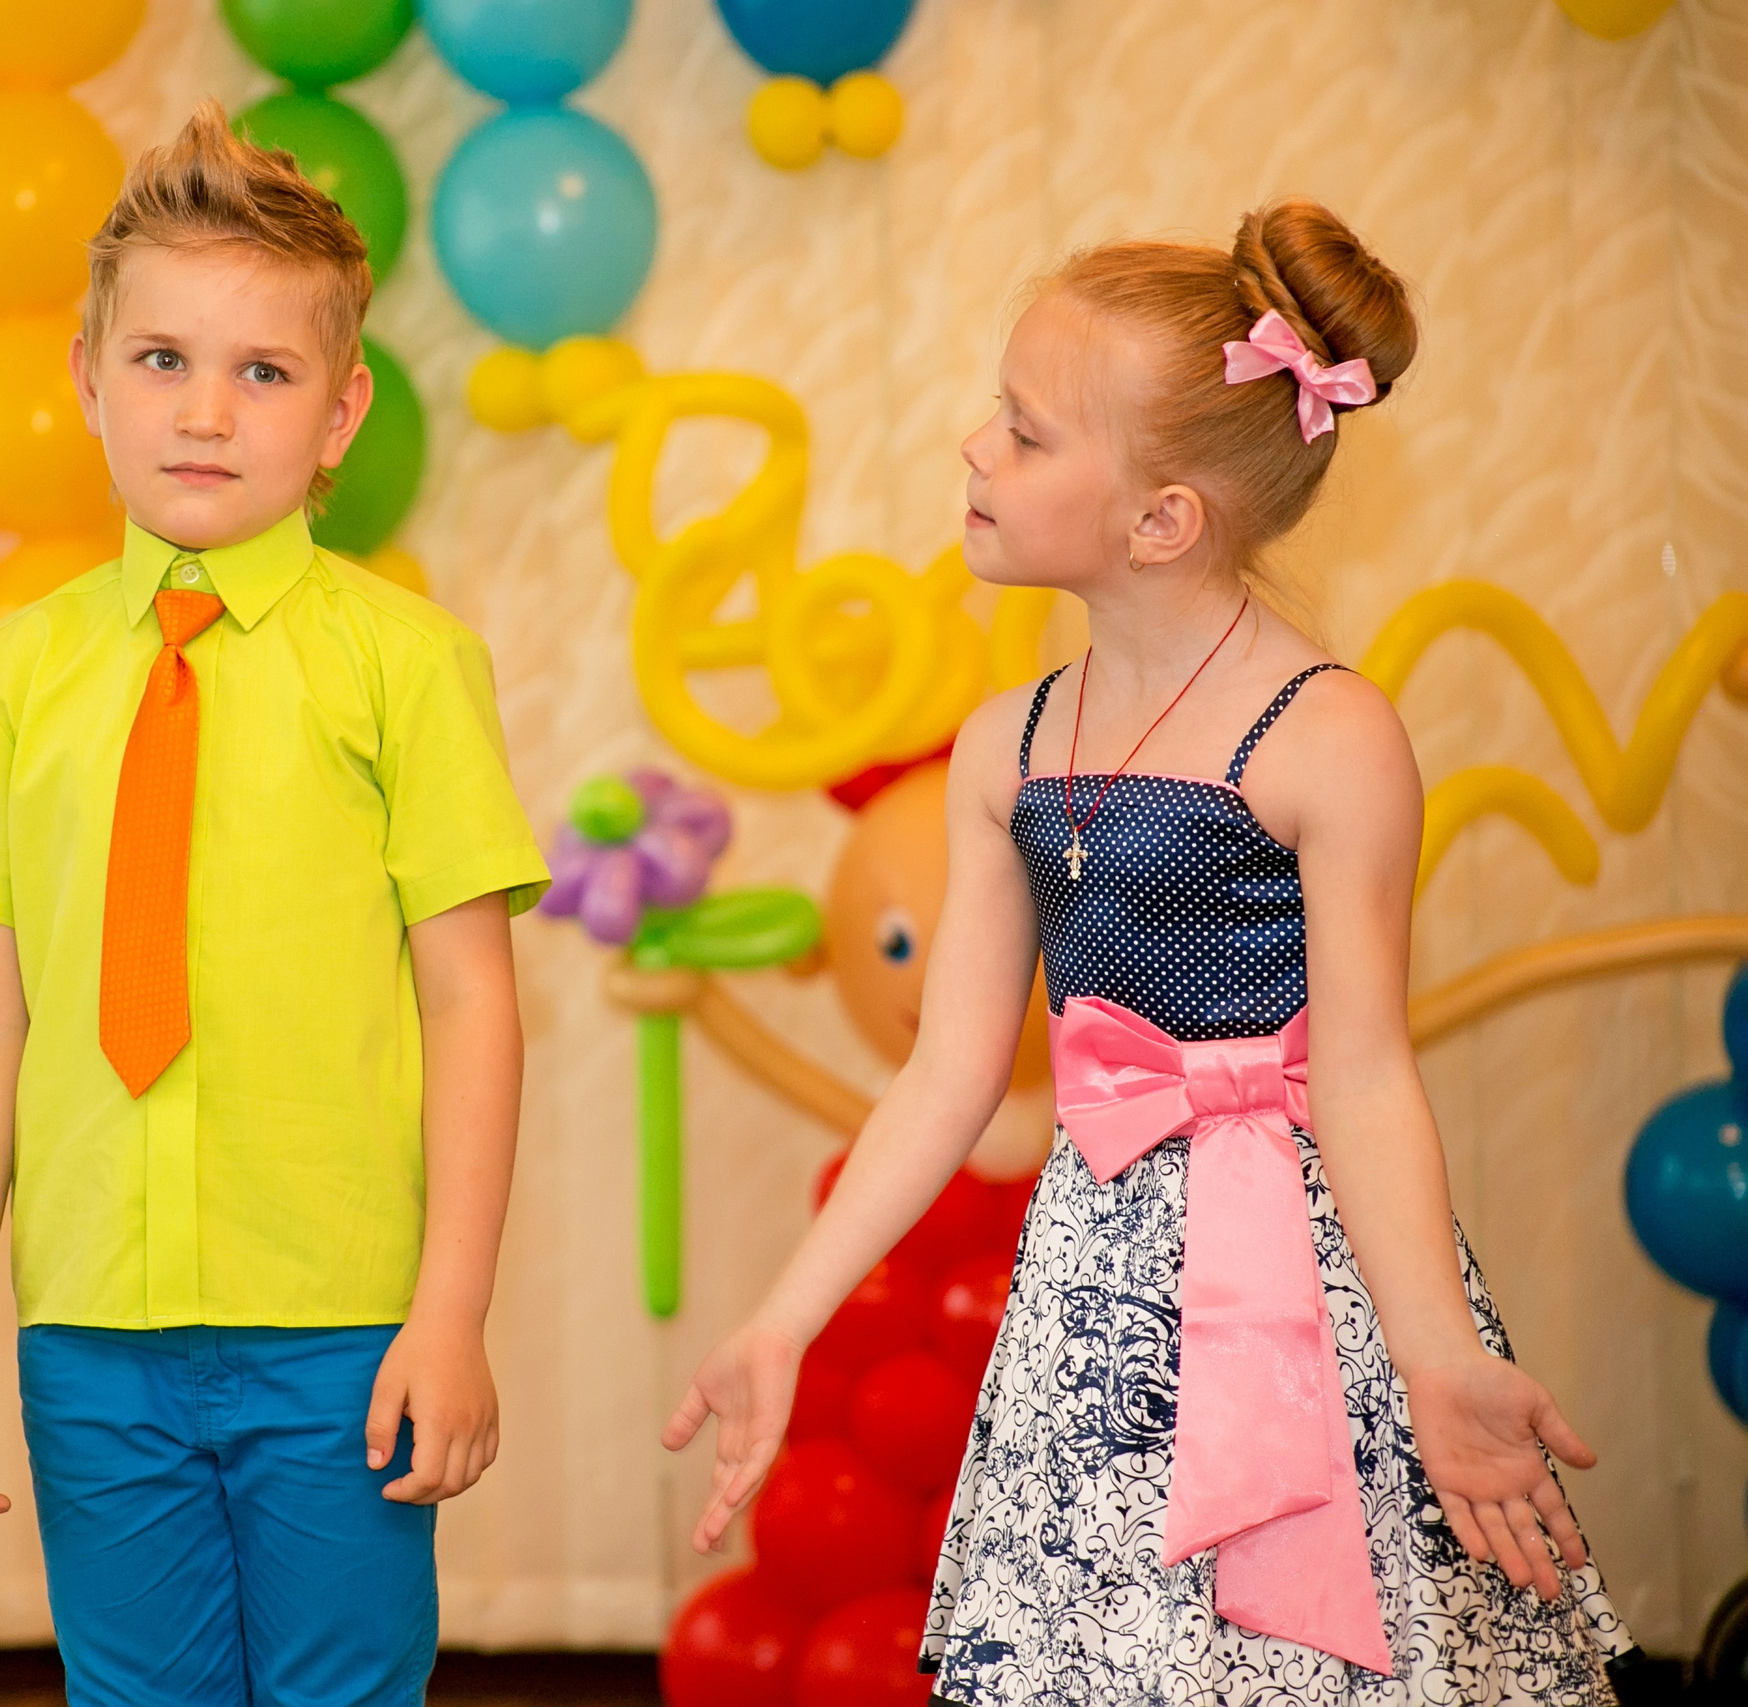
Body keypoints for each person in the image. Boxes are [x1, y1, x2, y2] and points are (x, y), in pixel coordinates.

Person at [664, 202, 1635, 1703]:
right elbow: (945, 1074)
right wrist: (781, 1318)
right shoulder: (1006, 746)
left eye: (1026, 432)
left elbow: (1367, 1073)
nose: (977, 450)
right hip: (1093, 1308)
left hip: (1311, 1295)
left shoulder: (1330, 736)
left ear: (1162, 518)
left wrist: (1437, 1355)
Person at [0, 102, 549, 1707]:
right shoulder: (11, 677)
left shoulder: (408, 667)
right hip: (90, 1331)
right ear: (86, 382)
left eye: (265, 372)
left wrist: (450, 1312)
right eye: (163, 360)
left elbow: (472, 1001)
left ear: (340, 414)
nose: (205, 410)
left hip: (340, 1328)